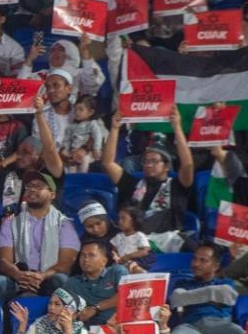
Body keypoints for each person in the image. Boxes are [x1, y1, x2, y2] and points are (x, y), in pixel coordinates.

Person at [0, 171, 78, 305]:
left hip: (48, 279)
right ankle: (1, 324)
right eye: (29, 186)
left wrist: (41, 276)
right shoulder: (11, 223)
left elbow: (66, 264)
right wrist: (19, 275)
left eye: (39, 186)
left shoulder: (65, 225)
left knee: (62, 280)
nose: (32, 189)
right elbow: (4, 260)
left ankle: (59, 324)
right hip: (18, 279)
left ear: (52, 194)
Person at [101, 110, 194, 247]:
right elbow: (107, 163)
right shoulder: (133, 184)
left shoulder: (177, 185)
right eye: (146, 161)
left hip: (167, 241)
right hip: (135, 242)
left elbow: (187, 164)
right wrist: (115, 128)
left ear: (166, 166)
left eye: (154, 161)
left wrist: (177, 127)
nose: (149, 165)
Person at [168, 243, 244, 334]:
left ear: (215, 266)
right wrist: (212, 295)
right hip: (190, 325)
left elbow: (228, 296)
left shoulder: (226, 283)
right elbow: (176, 299)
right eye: (194, 259)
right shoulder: (183, 282)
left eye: (203, 260)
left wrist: (191, 297)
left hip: (219, 324)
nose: (196, 264)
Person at [62, 241, 127, 327]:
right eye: (83, 255)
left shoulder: (116, 271)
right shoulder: (72, 282)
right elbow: (64, 310)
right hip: (86, 332)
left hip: (116, 328)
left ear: (104, 261)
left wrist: (95, 308)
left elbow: (125, 294)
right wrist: (77, 315)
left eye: (91, 255)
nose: (86, 259)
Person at [19, 38, 105, 98]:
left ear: (71, 53)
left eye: (61, 49)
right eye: (52, 50)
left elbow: (93, 83)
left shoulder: (80, 74)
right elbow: (20, 91)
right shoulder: (43, 75)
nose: (55, 53)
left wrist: (85, 50)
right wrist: (30, 59)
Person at [61, 95, 107, 173]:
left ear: (90, 112)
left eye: (81, 109)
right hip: (73, 152)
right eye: (75, 110)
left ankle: (83, 176)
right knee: (70, 168)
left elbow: (98, 135)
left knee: (85, 161)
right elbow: (67, 139)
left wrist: (96, 148)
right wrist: (66, 151)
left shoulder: (92, 124)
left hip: (88, 154)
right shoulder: (72, 126)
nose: (77, 112)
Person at [112, 206, 154, 273]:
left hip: (134, 263)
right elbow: (114, 250)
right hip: (120, 264)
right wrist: (116, 257)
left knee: (136, 269)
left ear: (134, 221)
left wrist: (128, 256)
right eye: (119, 218)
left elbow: (145, 251)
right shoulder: (118, 236)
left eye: (123, 218)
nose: (119, 221)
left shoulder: (139, 236)